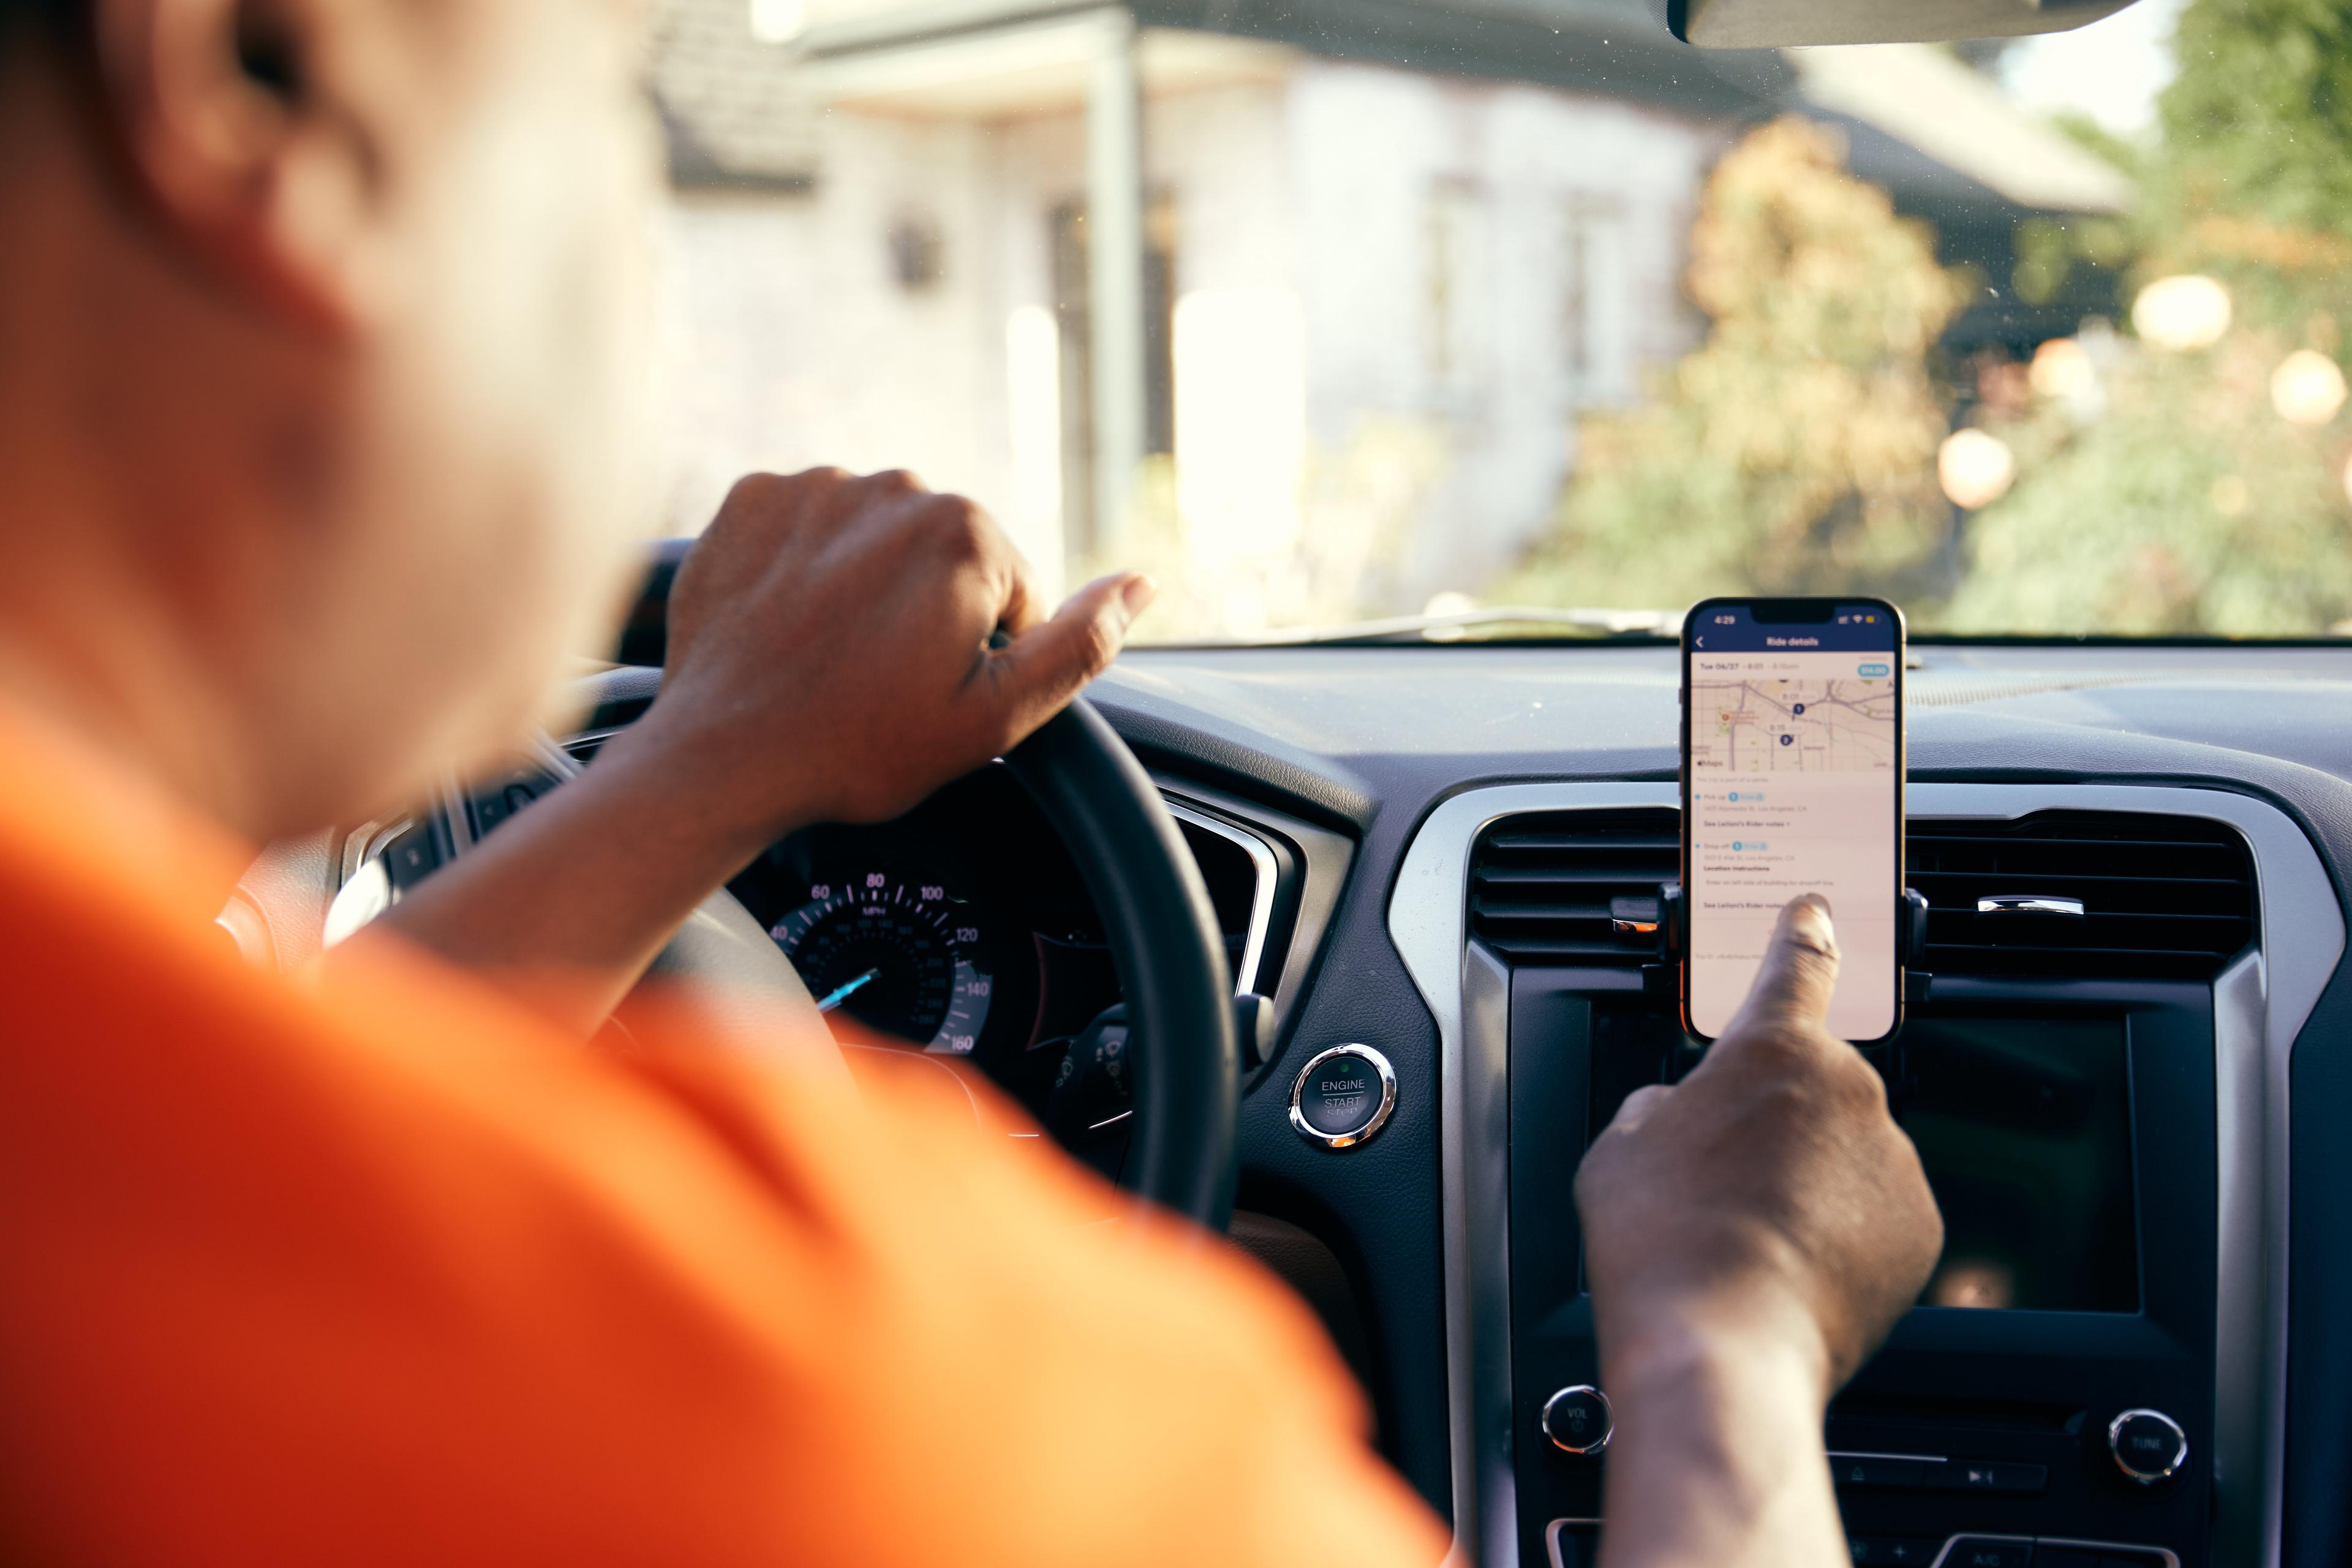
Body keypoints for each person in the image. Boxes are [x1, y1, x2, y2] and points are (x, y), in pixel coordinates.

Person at [0, 0, 1944, 1564]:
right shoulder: (840, 1378)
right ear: (257, 70)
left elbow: (312, 1146)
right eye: (610, 97)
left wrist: (707, 767)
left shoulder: (133, 1194)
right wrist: (1724, 1333)